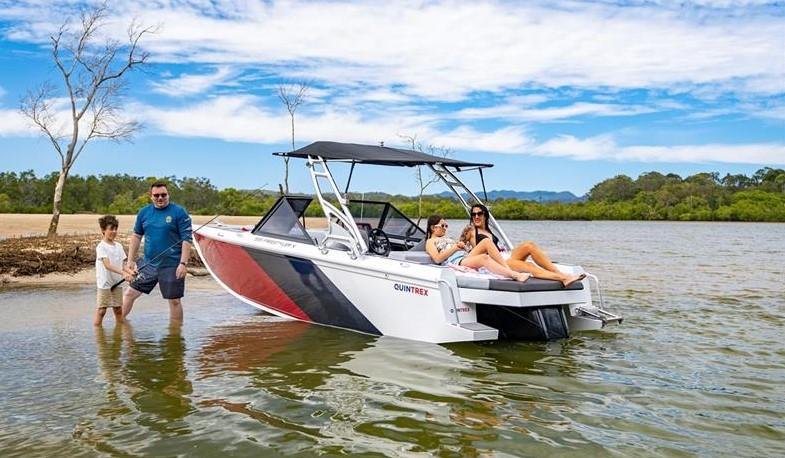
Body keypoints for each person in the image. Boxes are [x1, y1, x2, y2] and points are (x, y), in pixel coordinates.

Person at [467, 204, 585, 287]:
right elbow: (465, 247)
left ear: (485, 215)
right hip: (496, 263)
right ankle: (563, 278)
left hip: (504, 256)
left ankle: (560, 273)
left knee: (529, 245)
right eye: (473, 214)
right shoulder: (471, 231)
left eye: (479, 214)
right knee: (528, 265)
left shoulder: (488, 230)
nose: (476, 217)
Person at [123, 182, 192, 322]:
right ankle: (118, 326)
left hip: (172, 265)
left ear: (168, 195)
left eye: (163, 195)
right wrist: (130, 260)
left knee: (174, 301)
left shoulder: (179, 212)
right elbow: (136, 236)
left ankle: (175, 333)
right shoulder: (144, 212)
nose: (160, 198)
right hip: (148, 263)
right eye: (156, 195)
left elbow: (187, 239)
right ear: (151, 196)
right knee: (130, 293)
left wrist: (183, 263)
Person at [425, 214, 530, 282]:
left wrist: (462, 246)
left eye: (446, 226)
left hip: (465, 256)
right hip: (457, 261)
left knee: (486, 241)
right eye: (443, 226)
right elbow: (437, 259)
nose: (445, 228)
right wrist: (455, 248)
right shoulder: (430, 242)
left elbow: (460, 247)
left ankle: (507, 269)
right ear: (433, 227)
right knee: (484, 258)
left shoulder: (447, 238)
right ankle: (515, 275)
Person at [94, 215, 132, 326]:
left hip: (117, 282)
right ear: (103, 230)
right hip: (104, 283)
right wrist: (124, 273)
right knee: (102, 310)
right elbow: (107, 265)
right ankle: (98, 332)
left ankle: (119, 332)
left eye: (116, 229)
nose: (114, 231)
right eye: (111, 229)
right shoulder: (101, 247)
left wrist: (130, 272)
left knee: (118, 309)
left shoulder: (119, 246)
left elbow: (122, 265)